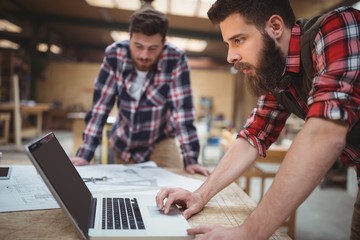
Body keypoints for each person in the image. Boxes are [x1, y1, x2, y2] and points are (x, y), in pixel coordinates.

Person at [156, 0, 360, 239]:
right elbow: (253, 136)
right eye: (227, 44)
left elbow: (323, 134)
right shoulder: (278, 78)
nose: (230, 56)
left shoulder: (337, 27)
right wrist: (200, 194)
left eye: (238, 40)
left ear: (275, 26)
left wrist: (251, 231)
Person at [71, 7, 210, 177]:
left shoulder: (175, 59)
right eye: (138, 46)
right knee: (127, 193)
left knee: (174, 184)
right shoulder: (114, 55)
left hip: (160, 142)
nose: (144, 55)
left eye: (153, 48)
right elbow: (100, 108)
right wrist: (85, 154)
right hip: (123, 143)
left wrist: (191, 159)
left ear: (163, 42)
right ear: (129, 38)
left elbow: (182, 113)